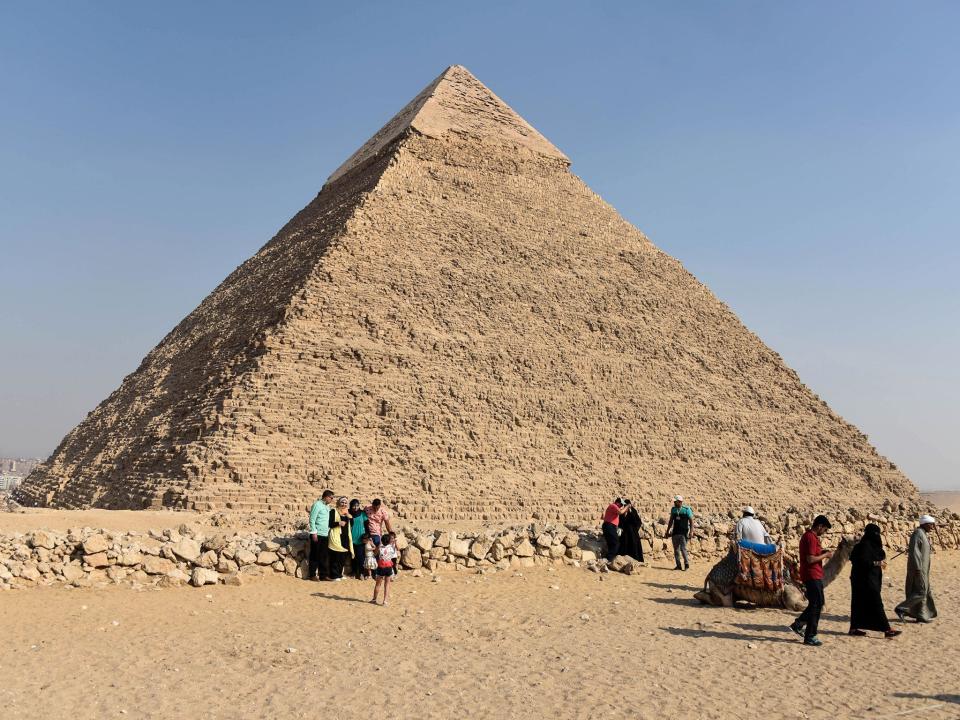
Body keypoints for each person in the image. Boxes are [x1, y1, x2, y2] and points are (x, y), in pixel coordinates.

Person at [848, 523, 901, 638]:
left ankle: (853, 628)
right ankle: (887, 629)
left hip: (861, 579)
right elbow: (862, 562)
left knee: (858, 604)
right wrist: (878, 563)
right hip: (865, 580)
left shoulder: (865, 545)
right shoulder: (864, 546)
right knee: (876, 603)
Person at [790, 515, 834, 646]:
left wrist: (822, 552)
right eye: (824, 529)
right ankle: (810, 635)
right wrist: (825, 555)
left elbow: (814, 554)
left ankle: (798, 624)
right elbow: (810, 559)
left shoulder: (813, 538)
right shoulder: (810, 537)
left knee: (817, 603)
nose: (824, 532)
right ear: (819, 526)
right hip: (811, 575)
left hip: (815, 575)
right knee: (816, 605)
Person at [895, 515, 938, 623]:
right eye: (930, 524)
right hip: (918, 569)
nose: (932, 527)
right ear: (924, 524)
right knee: (922, 591)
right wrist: (918, 568)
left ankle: (921, 615)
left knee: (925, 590)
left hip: (923, 569)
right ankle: (901, 608)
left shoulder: (922, 534)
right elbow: (914, 552)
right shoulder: (918, 533)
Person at [307, 489, 335, 581]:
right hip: (317, 534)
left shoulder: (327, 507)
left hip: (325, 534)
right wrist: (314, 532)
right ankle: (312, 575)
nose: (332, 500)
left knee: (324, 555)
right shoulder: (317, 505)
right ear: (326, 497)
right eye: (331, 498)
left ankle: (323, 575)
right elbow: (312, 519)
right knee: (314, 555)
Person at [326, 497, 354, 581]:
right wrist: (338, 523)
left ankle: (339, 574)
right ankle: (334, 575)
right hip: (336, 536)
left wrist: (350, 517)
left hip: (345, 537)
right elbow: (330, 524)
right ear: (338, 503)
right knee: (335, 556)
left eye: (345, 503)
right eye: (342, 502)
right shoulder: (333, 511)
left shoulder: (347, 513)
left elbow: (352, 524)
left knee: (342, 557)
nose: (344, 504)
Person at [665, 495, 693, 570]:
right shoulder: (673, 510)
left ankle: (686, 564)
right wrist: (667, 531)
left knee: (683, 549)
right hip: (675, 532)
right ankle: (678, 565)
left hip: (683, 533)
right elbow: (671, 521)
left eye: (675, 501)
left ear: (680, 502)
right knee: (676, 550)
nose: (674, 502)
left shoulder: (687, 509)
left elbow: (691, 521)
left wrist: (691, 532)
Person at [371, 531, 398, 606]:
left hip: (381, 567)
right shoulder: (392, 547)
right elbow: (393, 552)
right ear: (389, 541)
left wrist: (379, 545)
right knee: (387, 584)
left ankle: (374, 599)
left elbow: (375, 554)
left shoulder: (380, 548)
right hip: (388, 567)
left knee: (378, 584)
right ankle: (385, 601)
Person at [349, 499, 368, 580]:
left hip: (361, 539)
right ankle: (353, 572)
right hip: (351, 538)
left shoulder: (363, 514)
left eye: (357, 505)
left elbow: (367, 526)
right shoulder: (348, 513)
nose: (355, 507)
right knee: (353, 557)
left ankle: (361, 573)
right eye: (354, 505)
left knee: (360, 557)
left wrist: (367, 536)